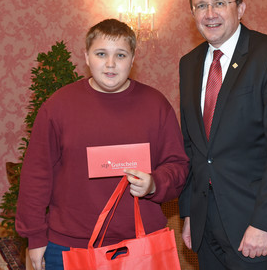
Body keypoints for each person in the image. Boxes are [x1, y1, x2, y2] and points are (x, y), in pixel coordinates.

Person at [16, 19, 189, 270]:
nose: (110, 64)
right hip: (69, 245)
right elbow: (36, 175)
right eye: (101, 54)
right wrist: (34, 237)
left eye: (120, 55)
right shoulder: (58, 106)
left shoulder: (156, 105)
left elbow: (178, 165)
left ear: (133, 59)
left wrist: (154, 183)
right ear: (86, 57)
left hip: (142, 242)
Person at [178, 0, 267, 270]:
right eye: (201, 5)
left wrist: (265, 224)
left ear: (241, 8)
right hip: (205, 224)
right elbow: (192, 147)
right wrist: (190, 213)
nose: (210, 14)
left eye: (219, 3)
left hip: (253, 225)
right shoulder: (189, 63)